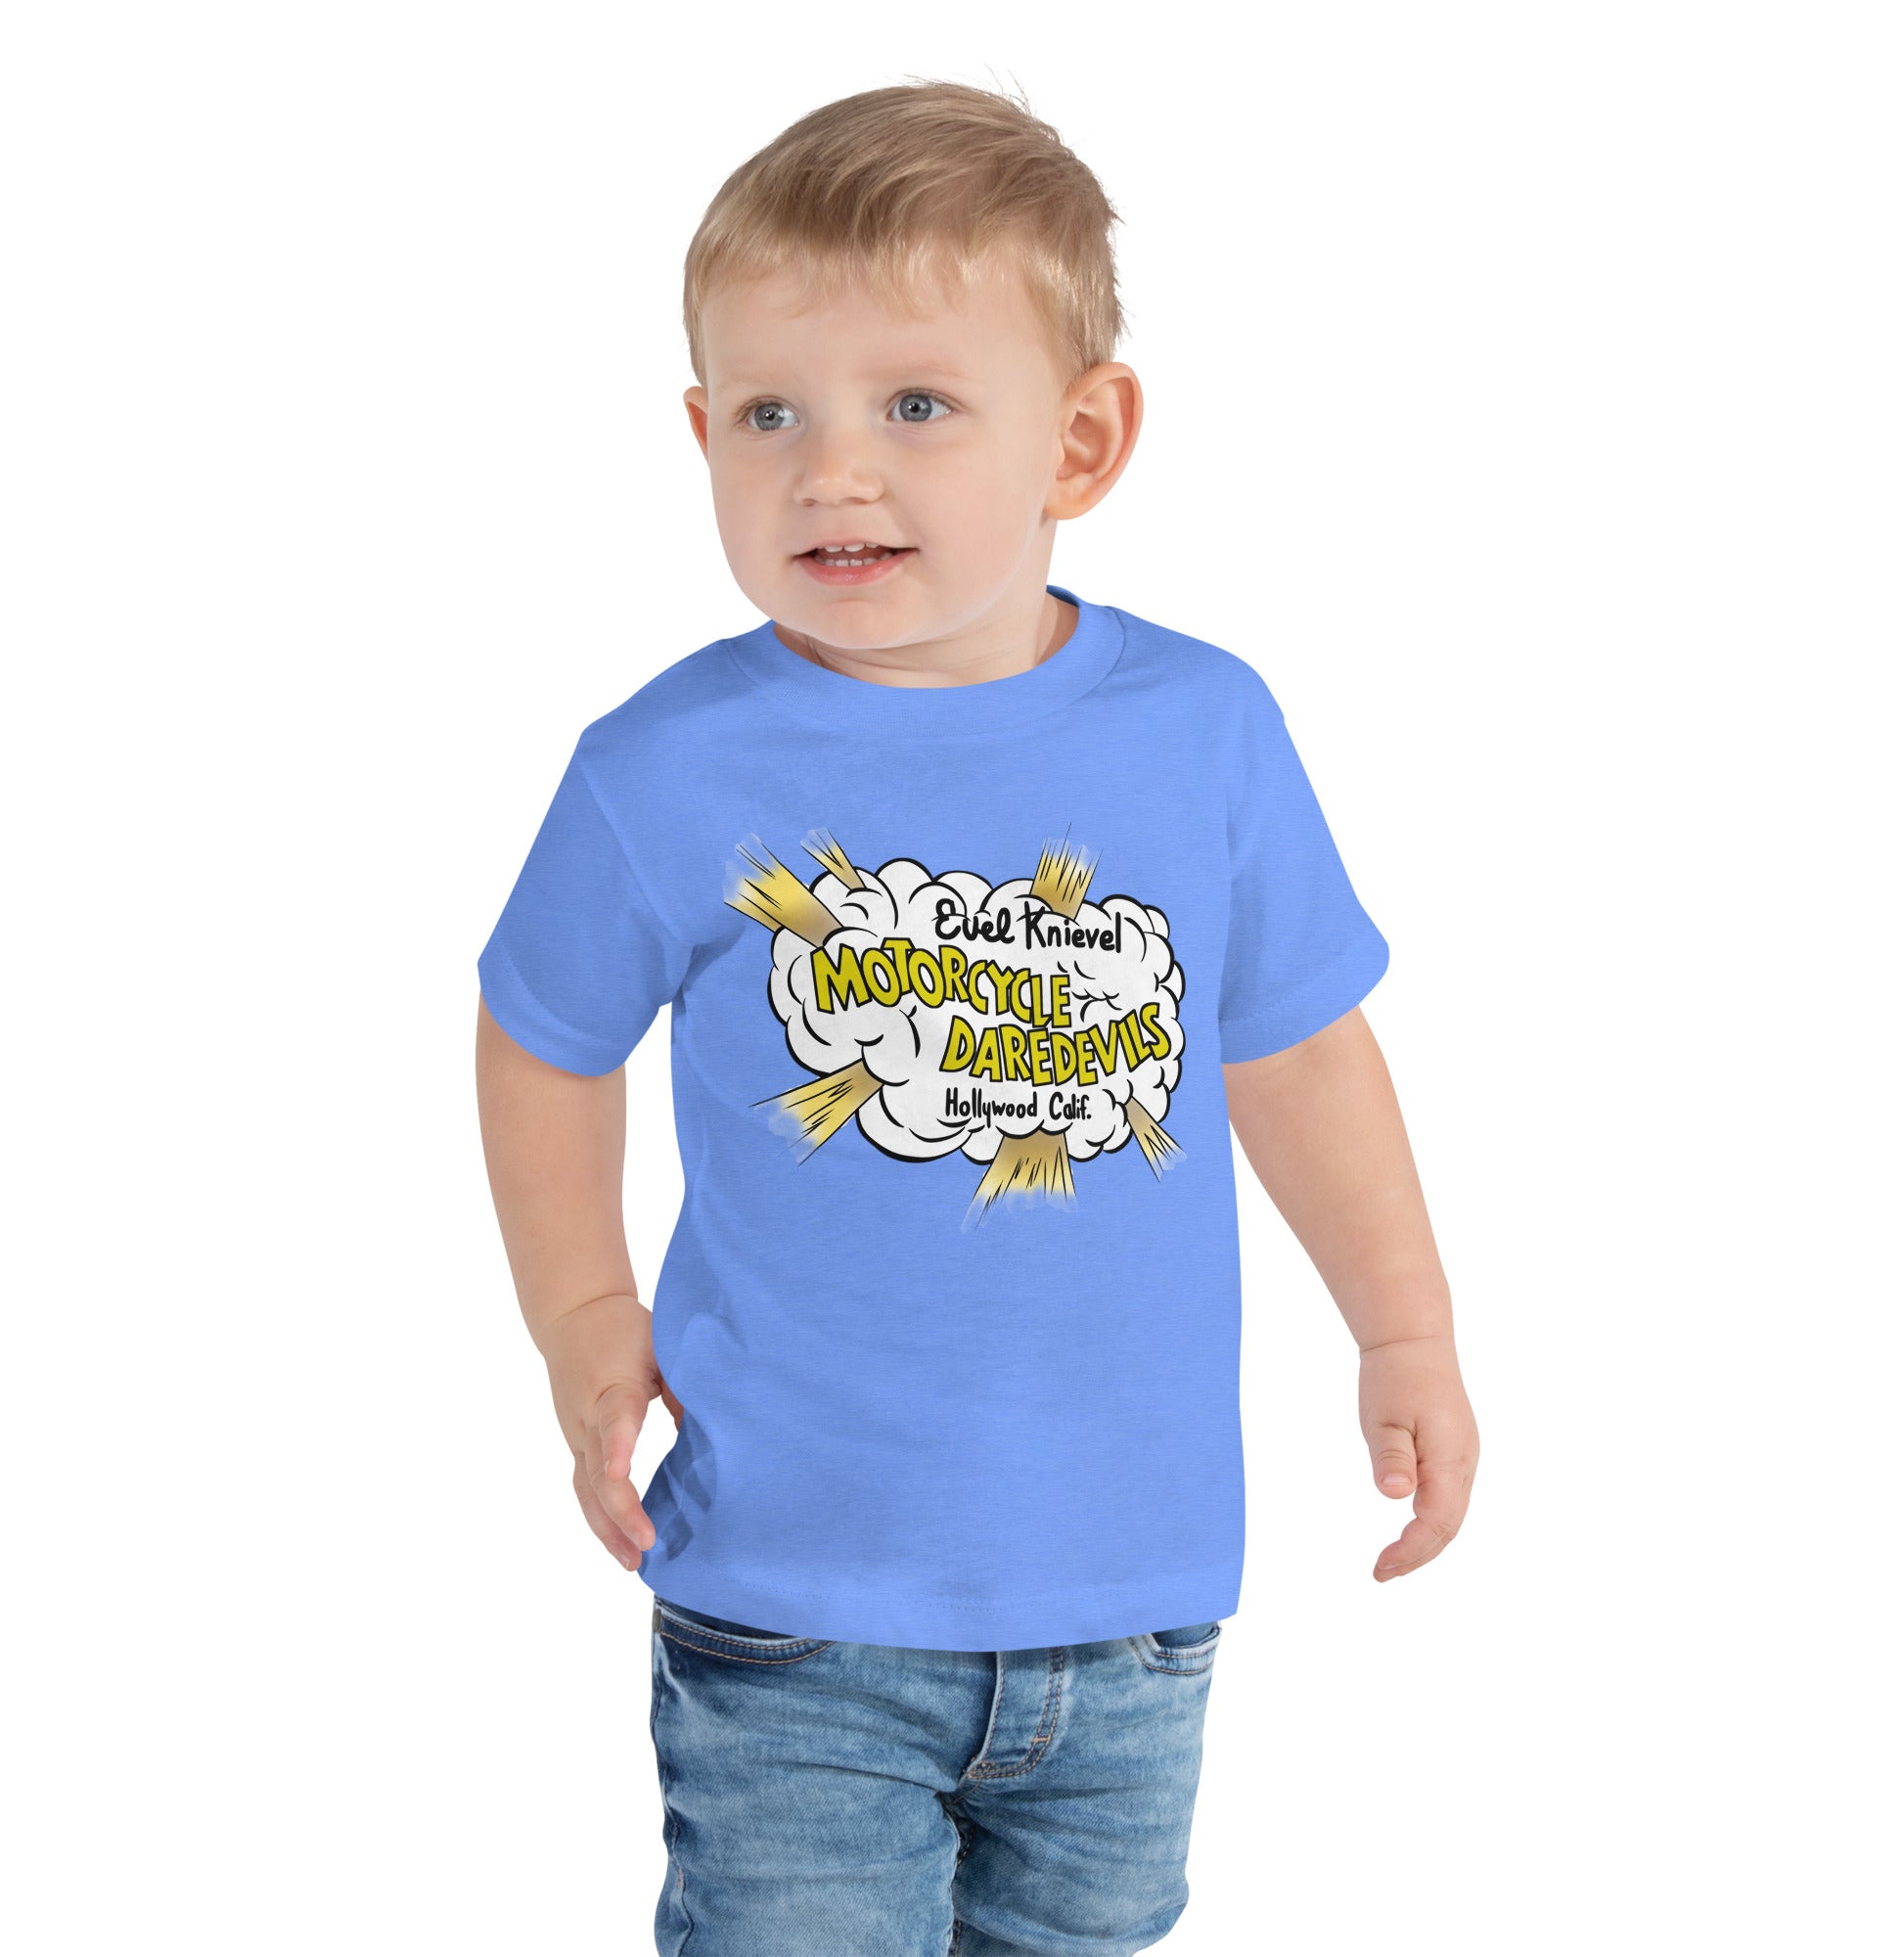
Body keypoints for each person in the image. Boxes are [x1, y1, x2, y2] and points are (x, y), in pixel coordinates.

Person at [476, 77, 1478, 1957]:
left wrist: (1404, 1327)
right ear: (700, 433)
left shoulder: (1206, 733)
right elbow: (541, 1036)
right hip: (795, 1599)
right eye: (770, 414)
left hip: (1134, 1596)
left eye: (916, 406)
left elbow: (1296, 1046)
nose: (832, 471)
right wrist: (583, 1316)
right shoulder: (665, 768)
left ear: (1081, 441)